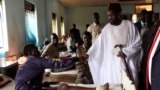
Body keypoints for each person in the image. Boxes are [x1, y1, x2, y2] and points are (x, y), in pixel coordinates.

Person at [83, 3, 142, 87]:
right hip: (111, 64)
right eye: (108, 15)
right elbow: (98, 44)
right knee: (113, 85)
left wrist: (126, 52)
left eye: (112, 15)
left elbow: (138, 43)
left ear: (119, 13)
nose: (109, 17)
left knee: (128, 85)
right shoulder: (107, 28)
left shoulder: (129, 25)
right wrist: (89, 53)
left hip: (126, 62)